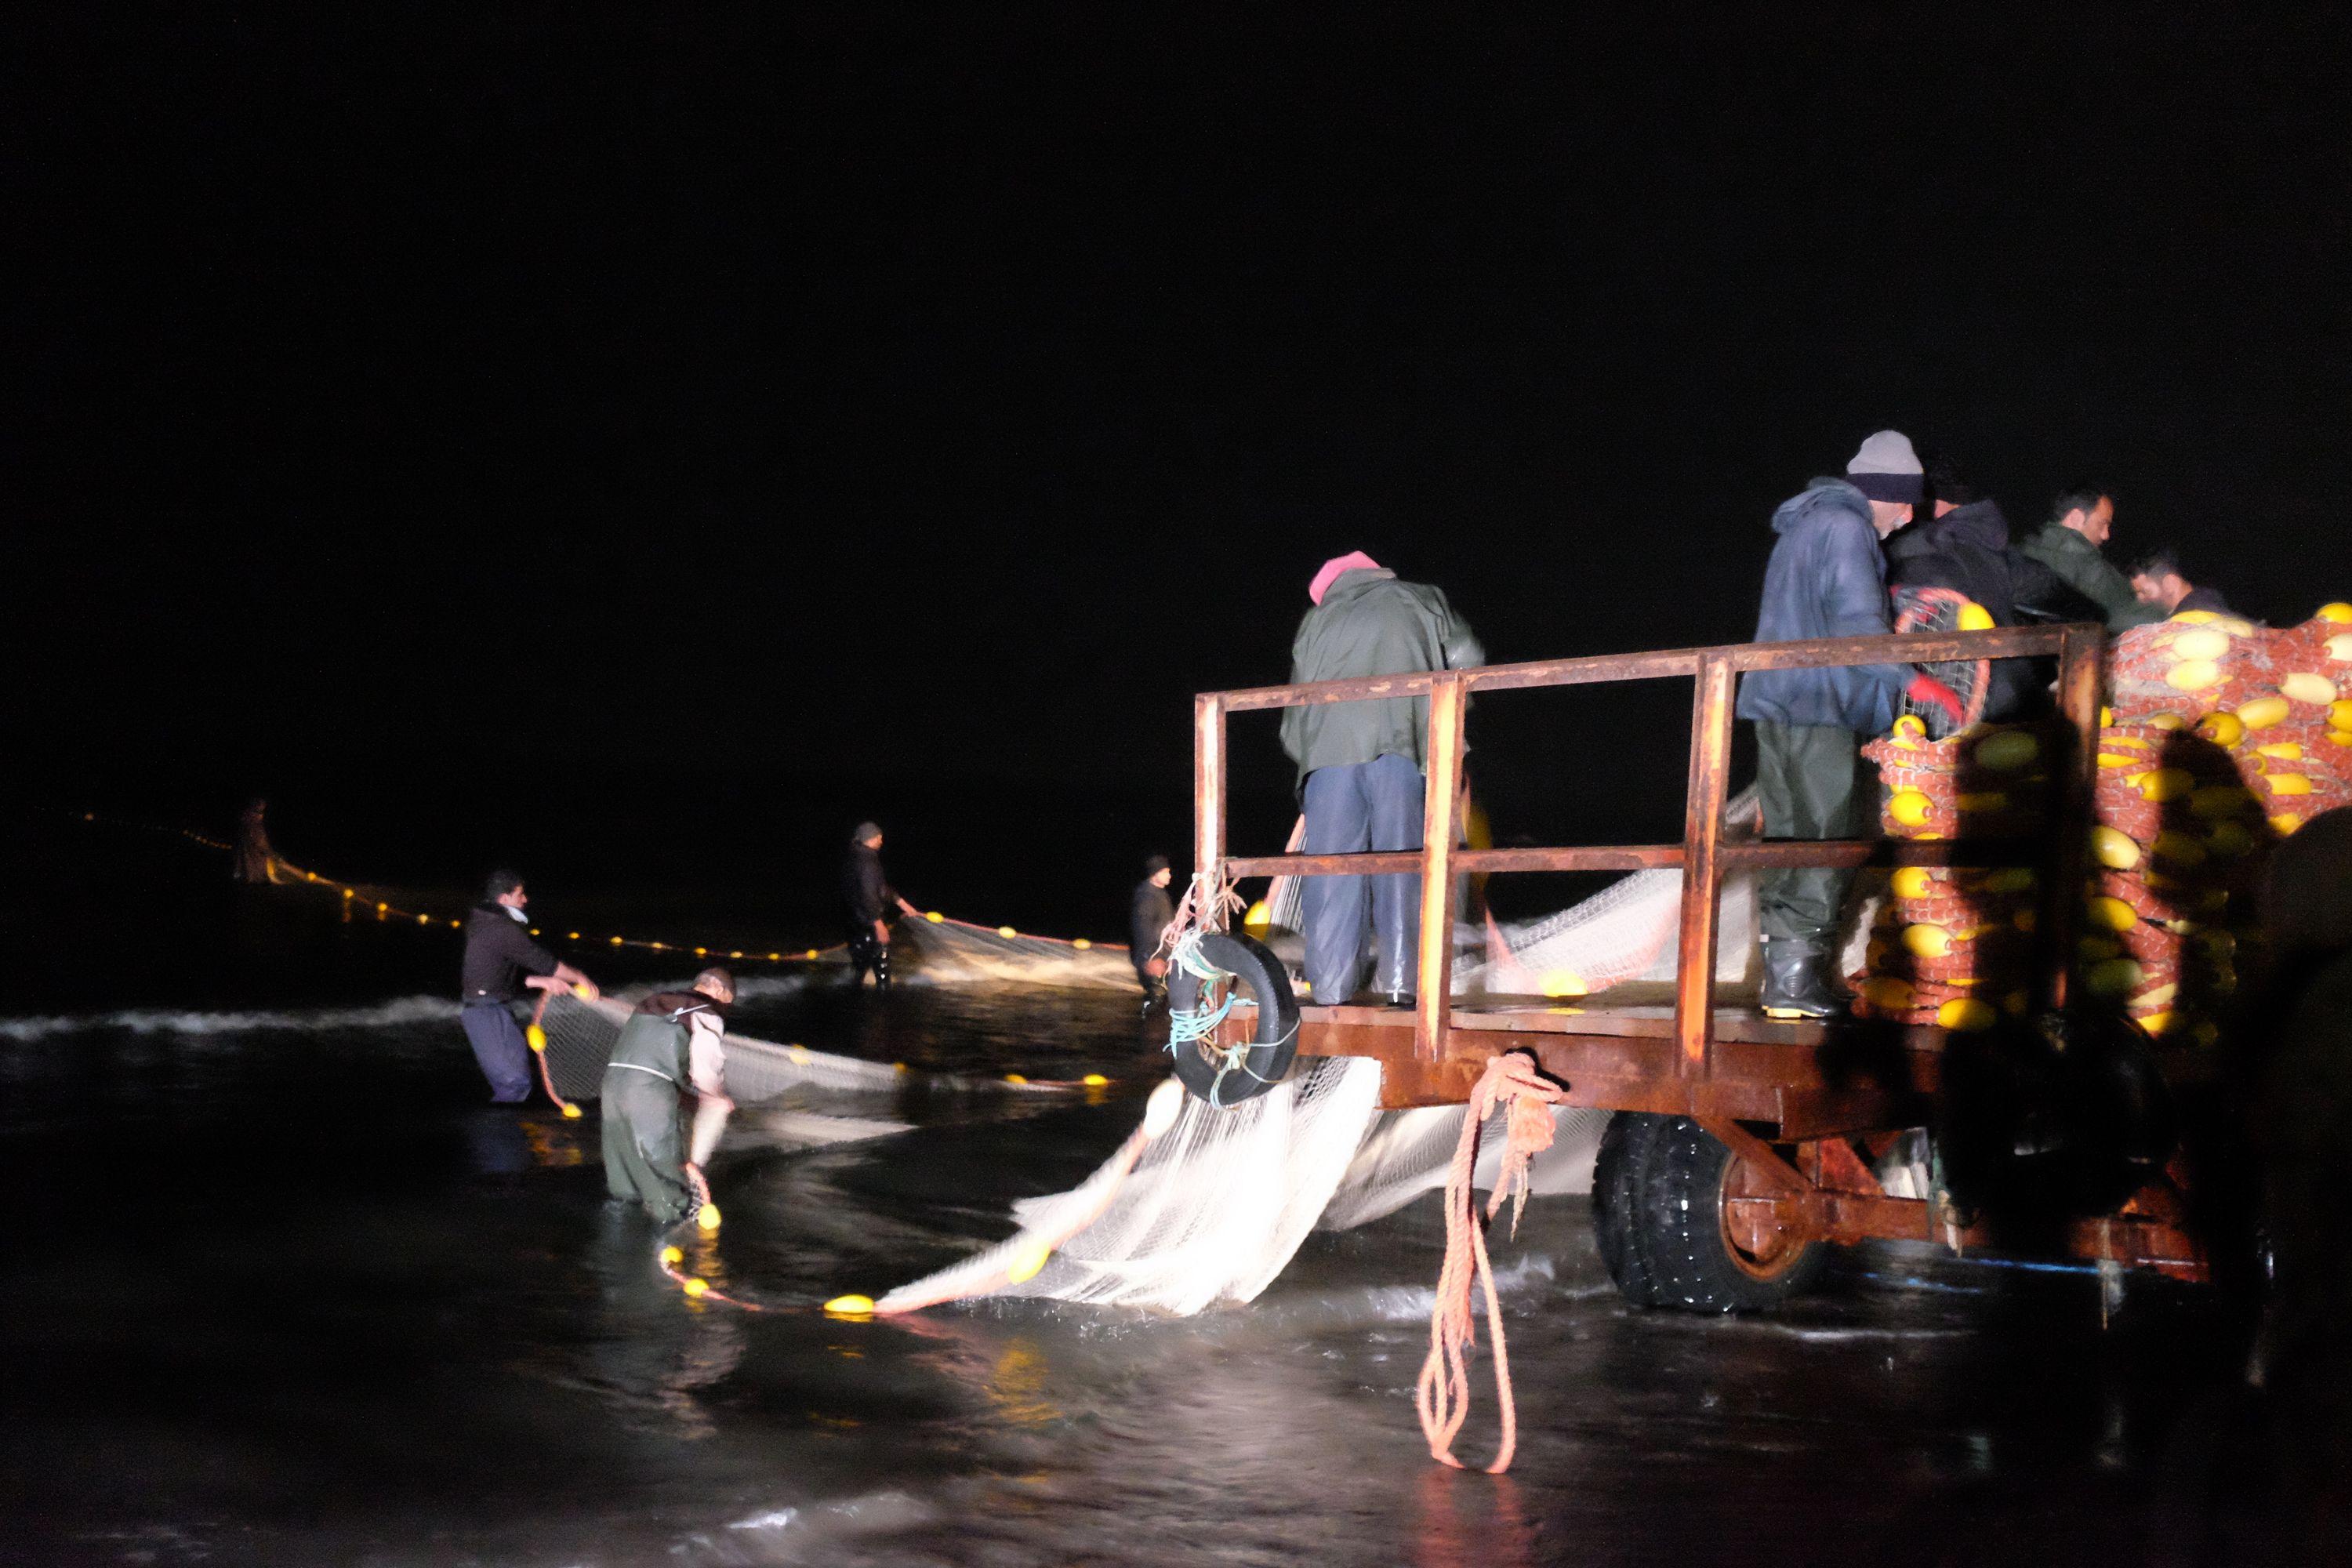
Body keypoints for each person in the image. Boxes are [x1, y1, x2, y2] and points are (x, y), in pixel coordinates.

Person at [1736, 431, 1963, 1019]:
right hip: (1822, 702)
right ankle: (1793, 982)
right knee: (1825, 837)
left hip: (1777, 699)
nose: (1909, 514)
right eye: (1905, 501)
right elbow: (1856, 624)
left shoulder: (1805, 524)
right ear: (1883, 494)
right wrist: (1920, 683)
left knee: (1788, 839)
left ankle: (1785, 980)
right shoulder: (1848, 526)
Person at [1279, 550, 1483, 1007]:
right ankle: (1400, 984)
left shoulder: (1316, 622)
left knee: (1332, 875)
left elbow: (1294, 710)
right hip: (1402, 749)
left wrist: (1309, 760)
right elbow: (1470, 659)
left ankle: (1330, 988)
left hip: (1328, 762)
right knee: (1402, 868)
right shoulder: (1424, 599)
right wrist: (1448, 722)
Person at [1886, 456, 2103, 720]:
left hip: (1923, 723)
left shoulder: (1886, 558)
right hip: (2009, 715)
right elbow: (2077, 608)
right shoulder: (1995, 554)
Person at [601, 967, 736, 1224]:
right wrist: (717, 1097)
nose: (725, 1011)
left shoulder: (651, 1002)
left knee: (625, 1181)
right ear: (719, 990)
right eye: (728, 1004)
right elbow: (706, 1069)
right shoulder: (707, 1012)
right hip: (649, 1091)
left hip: (613, 1085)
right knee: (665, 1187)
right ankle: (665, 1243)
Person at [459, 869, 597, 1103]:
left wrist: (539, 981)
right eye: (520, 894)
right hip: (484, 1012)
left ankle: (506, 1133)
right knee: (514, 1082)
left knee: (520, 1078)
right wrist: (579, 977)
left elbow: (491, 970)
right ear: (504, 899)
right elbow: (545, 962)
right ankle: (495, 1133)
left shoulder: (485, 920)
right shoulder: (500, 929)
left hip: (495, 1006)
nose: (525, 900)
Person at [2014, 484, 2165, 631]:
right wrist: (2172, 610)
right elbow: (2120, 614)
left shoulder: (2025, 551)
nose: (2106, 535)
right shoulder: (2084, 561)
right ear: (2076, 518)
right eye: (2102, 524)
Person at [842, 822, 921, 988]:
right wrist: (878, 924)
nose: (881, 841)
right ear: (871, 838)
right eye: (880, 838)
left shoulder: (857, 856)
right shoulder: (867, 862)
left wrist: (901, 903)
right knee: (881, 966)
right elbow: (868, 895)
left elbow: (881, 888)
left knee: (860, 966)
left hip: (854, 921)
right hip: (867, 921)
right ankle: (883, 1005)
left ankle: (852, 1005)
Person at [2129, 546, 2236, 618]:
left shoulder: (2194, 616)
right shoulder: (2205, 599)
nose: (2141, 600)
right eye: (2137, 593)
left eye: (2146, 592)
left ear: (2170, 584)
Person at [1130, 854, 1175, 1011]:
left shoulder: (1161, 894)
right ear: (1155, 874)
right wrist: (1150, 958)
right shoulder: (1146, 896)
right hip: (1154, 961)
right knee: (1156, 1003)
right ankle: (1146, 1032)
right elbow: (1142, 929)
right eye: (1165, 872)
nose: (1169, 875)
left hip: (1165, 957)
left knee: (1166, 1003)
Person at [232, 797, 281, 884]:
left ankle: (257, 877)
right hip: (250, 842)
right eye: (261, 805)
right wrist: (258, 842)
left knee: (260, 860)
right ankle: (250, 878)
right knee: (248, 860)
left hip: (255, 841)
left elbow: (259, 829)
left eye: (263, 806)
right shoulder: (249, 815)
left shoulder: (256, 815)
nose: (262, 807)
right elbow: (250, 829)